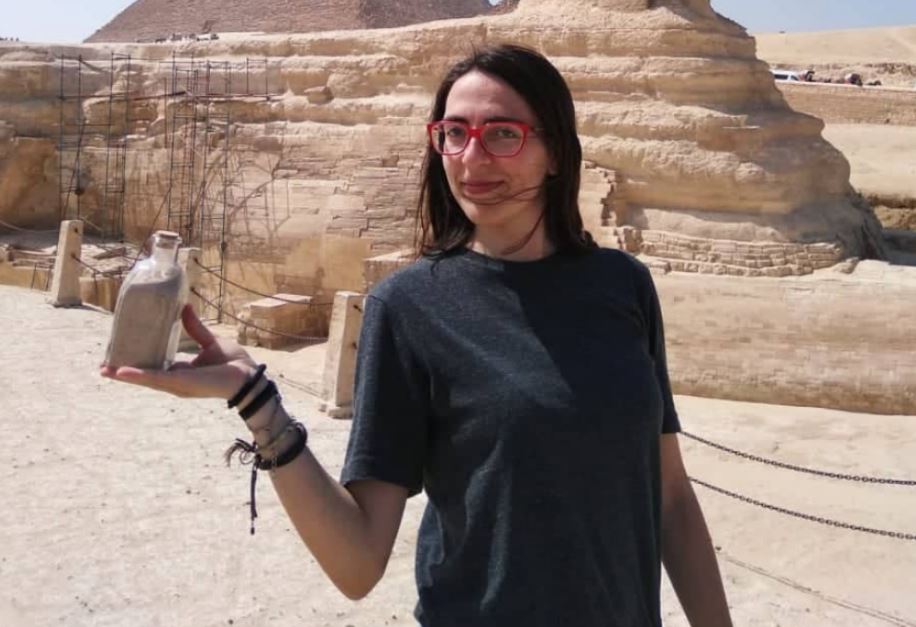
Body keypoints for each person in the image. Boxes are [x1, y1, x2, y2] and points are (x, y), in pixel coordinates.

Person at [102, 44, 733, 626]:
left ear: (558, 153)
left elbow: (670, 497)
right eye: (454, 133)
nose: (471, 159)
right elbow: (357, 564)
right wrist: (255, 401)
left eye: (503, 134)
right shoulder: (408, 307)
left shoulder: (623, 285)